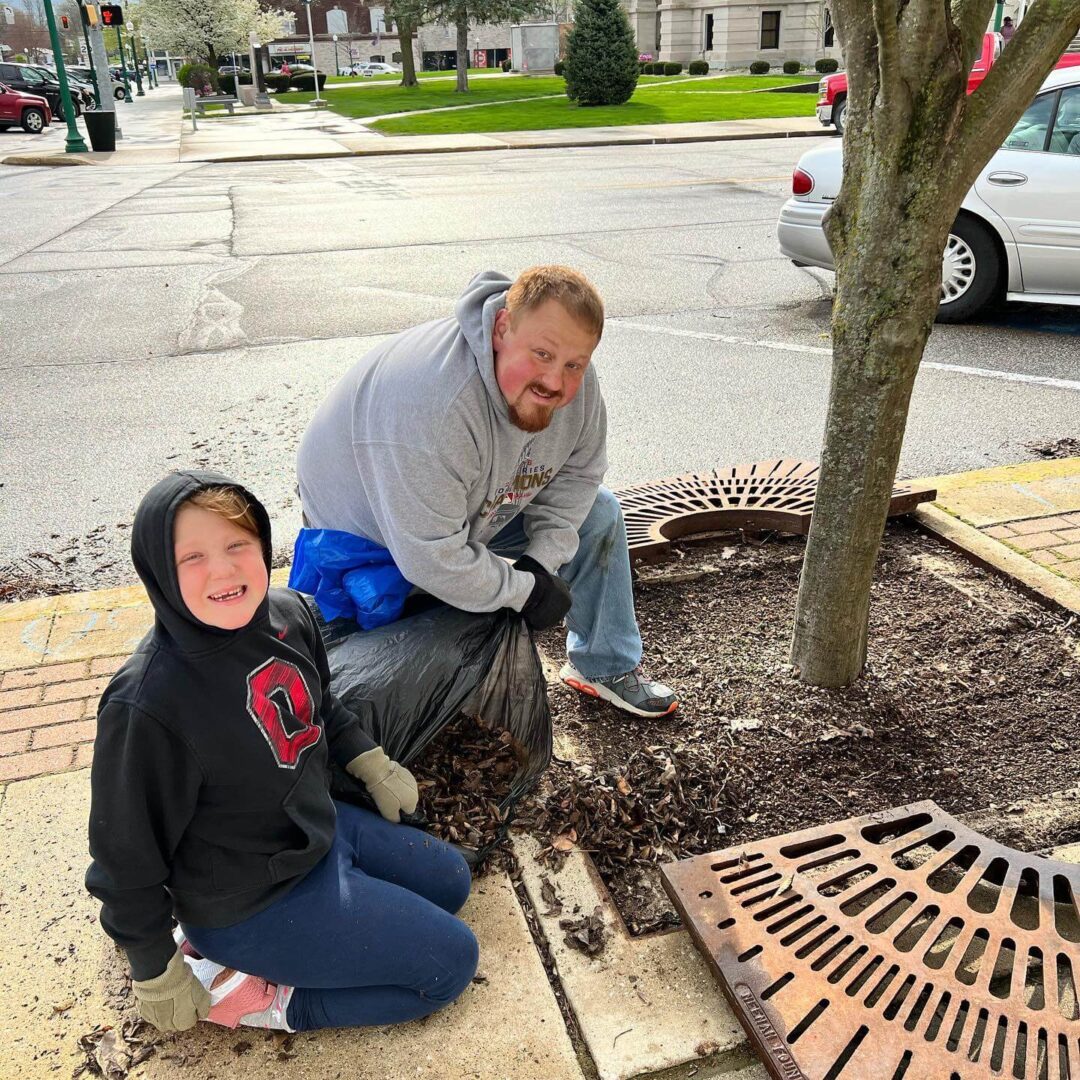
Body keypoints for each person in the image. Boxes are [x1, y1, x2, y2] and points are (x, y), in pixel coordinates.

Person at [85, 470, 477, 1034]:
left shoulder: (289, 613)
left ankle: (322, 924)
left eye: (236, 545)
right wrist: (151, 965)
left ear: (264, 546)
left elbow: (321, 707)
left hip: (315, 830)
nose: (222, 569)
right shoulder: (147, 705)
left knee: (452, 883)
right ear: (157, 572)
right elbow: (124, 856)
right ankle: (266, 999)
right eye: (191, 557)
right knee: (449, 965)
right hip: (247, 898)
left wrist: (370, 761)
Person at [295, 266, 678, 718]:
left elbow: (580, 472)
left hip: (479, 498)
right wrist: (522, 591)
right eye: (541, 354)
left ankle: (604, 665)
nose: (555, 381)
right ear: (501, 328)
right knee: (411, 635)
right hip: (371, 523)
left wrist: (542, 561)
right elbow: (430, 555)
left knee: (599, 514)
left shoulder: (575, 382)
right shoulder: (432, 407)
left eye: (574, 364)